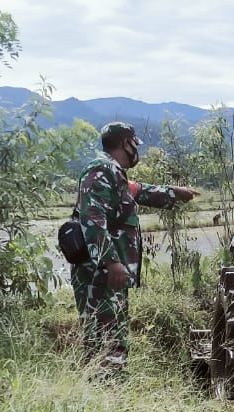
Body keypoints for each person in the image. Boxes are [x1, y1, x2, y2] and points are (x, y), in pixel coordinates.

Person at [73, 122, 199, 365]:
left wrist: (175, 192)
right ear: (125, 144)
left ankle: (112, 389)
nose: (137, 151)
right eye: (135, 144)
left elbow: (139, 191)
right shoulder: (100, 170)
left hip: (108, 273)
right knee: (103, 337)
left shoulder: (114, 173)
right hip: (100, 274)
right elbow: (93, 219)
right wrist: (111, 262)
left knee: (113, 335)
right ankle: (106, 389)